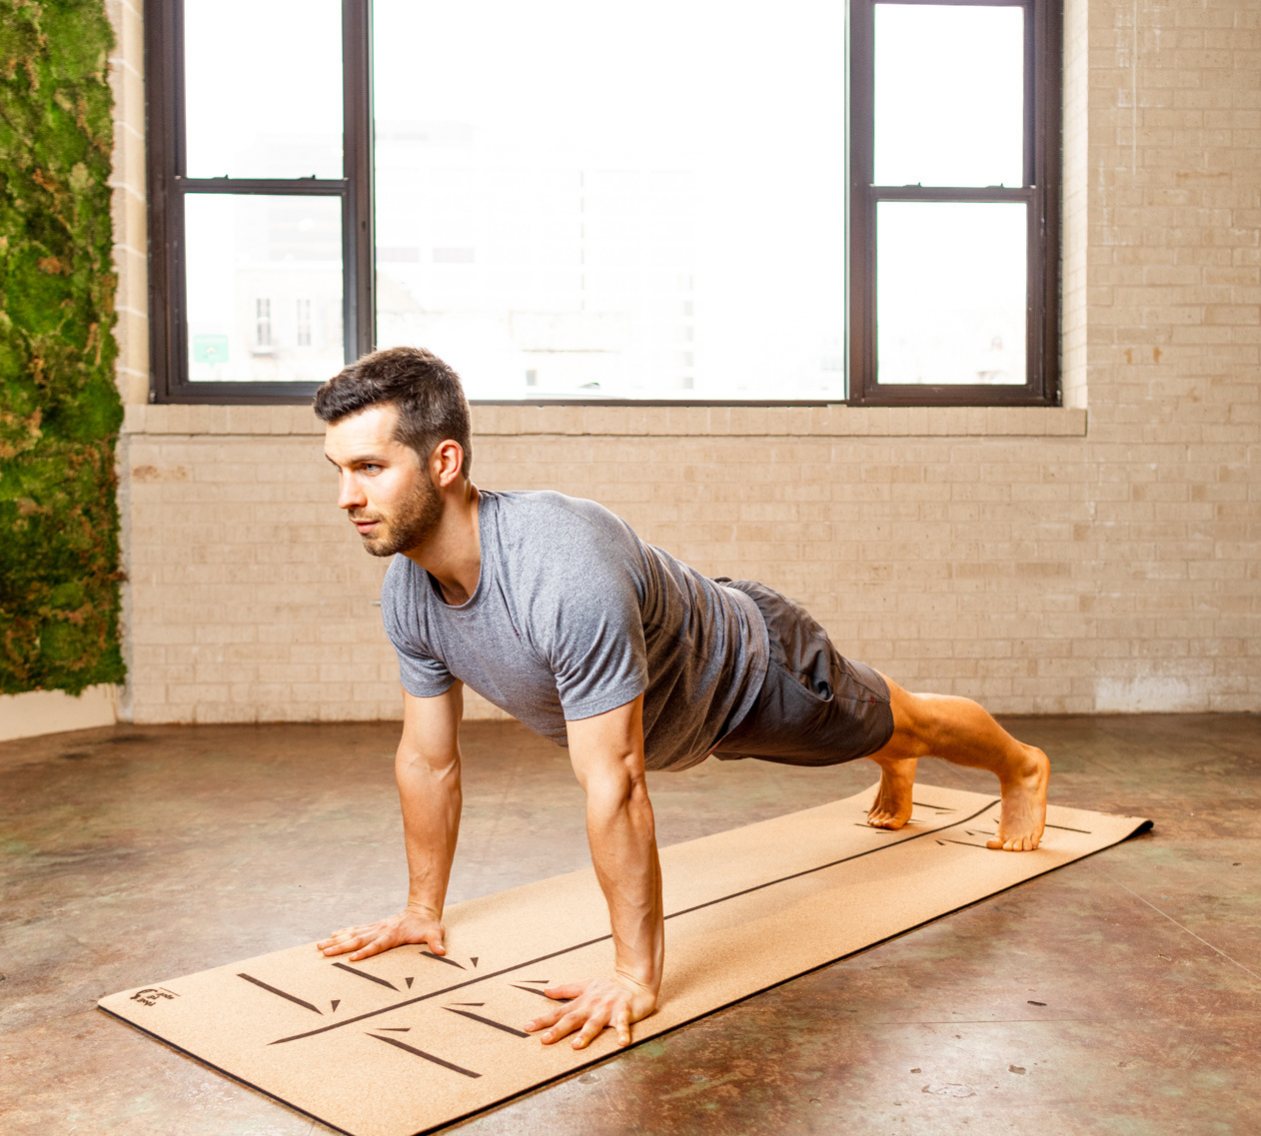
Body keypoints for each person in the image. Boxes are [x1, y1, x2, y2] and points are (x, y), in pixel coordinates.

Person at [311, 346, 1050, 1053]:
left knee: (905, 722)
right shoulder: (408, 594)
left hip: (761, 675)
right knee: (884, 735)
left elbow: (616, 781)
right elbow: (427, 761)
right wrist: (420, 911)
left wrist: (635, 976)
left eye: (370, 468)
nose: (347, 497)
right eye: (338, 470)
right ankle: (891, 760)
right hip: (690, 721)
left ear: (444, 461)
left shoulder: (560, 568)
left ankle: (1018, 767)